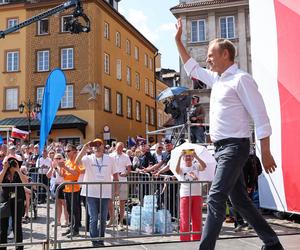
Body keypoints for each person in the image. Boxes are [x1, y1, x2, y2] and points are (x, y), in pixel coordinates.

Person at [175, 18, 283, 250]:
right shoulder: (218, 79)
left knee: (215, 197)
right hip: (223, 149)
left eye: (211, 55)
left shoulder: (241, 79)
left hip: (235, 147)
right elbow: (192, 67)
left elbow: (261, 116)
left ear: (225, 54)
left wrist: (265, 152)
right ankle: (272, 243)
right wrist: (177, 40)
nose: (208, 59)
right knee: (240, 201)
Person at [76, 139, 118, 248]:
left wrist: (116, 190)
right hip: (90, 192)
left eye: (100, 145)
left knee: (103, 218)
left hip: (105, 192)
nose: (97, 147)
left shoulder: (110, 159)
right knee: (94, 217)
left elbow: (115, 175)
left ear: (103, 147)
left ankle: (101, 238)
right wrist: (85, 148)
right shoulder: (88, 158)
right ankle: (94, 239)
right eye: (95, 146)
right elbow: (77, 161)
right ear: (92, 148)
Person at [175, 149, 206, 241]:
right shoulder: (181, 166)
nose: (188, 157)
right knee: (185, 217)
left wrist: (196, 156)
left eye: (190, 156)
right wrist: (180, 157)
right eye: (186, 156)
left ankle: (197, 237)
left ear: (192, 157)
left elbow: (204, 166)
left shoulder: (196, 165)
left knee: (197, 217)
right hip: (185, 194)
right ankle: (185, 238)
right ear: (184, 158)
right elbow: (177, 171)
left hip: (197, 194)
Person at [0, 155, 28, 250]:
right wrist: (4, 169)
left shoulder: (19, 172)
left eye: (14, 162)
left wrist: (18, 170)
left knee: (17, 225)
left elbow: (26, 182)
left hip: (18, 200)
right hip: (5, 201)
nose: (12, 163)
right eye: (10, 162)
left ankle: (19, 247)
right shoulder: (4, 172)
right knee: (3, 226)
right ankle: (2, 247)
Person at [108, 142, 132, 230]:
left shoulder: (126, 156)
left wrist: (125, 173)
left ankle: (121, 221)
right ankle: (112, 218)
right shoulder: (110, 155)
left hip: (122, 180)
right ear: (115, 148)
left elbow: (129, 168)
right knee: (109, 200)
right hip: (112, 180)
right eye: (118, 147)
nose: (120, 149)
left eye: (121, 148)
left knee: (122, 201)